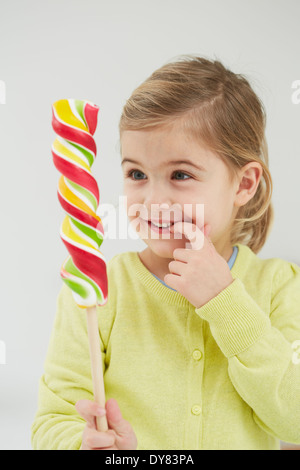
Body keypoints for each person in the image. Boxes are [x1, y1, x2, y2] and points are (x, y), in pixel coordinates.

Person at [31, 55, 300, 450]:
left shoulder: (278, 287)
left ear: (244, 184)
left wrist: (225, 301)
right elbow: (52, 420)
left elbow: (293, 422)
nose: (154, 199)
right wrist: (81, 444)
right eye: (136, 174)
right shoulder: (97, 292)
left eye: (180, 174)